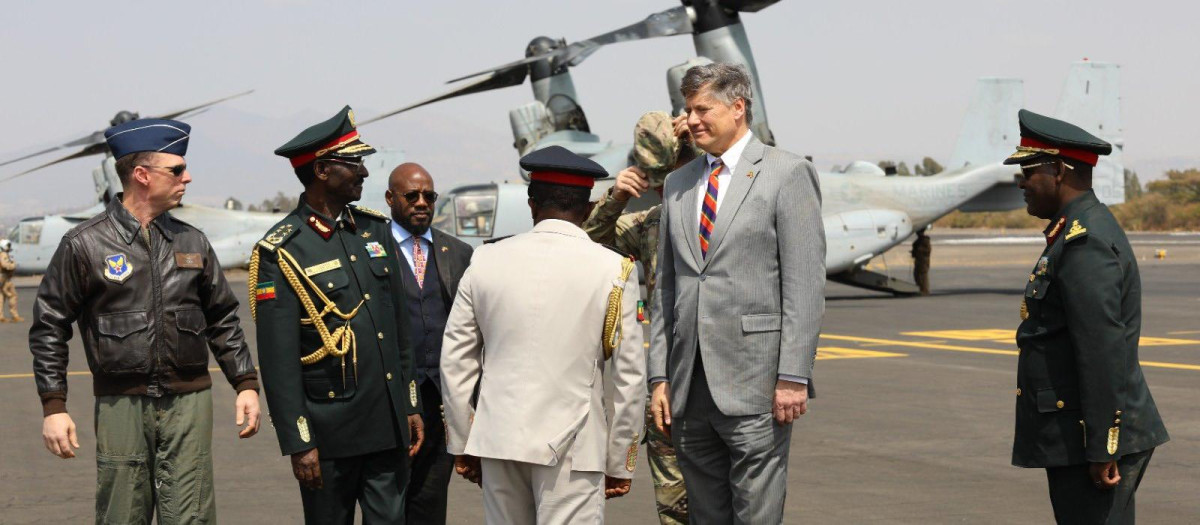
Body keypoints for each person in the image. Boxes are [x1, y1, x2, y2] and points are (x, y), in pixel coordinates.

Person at [29, 118, 261, 523]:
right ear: (141, 175)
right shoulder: (85, 244)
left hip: (189, 403)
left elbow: (222, 316)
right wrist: (54, 406)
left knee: (191, 514)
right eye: (176, 169)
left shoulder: (193, 242)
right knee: (122, 513)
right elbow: (49, 325)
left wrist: (244, 383)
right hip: (121, 404)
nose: (187, 177)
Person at [647, 62, 826, 524]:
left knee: (756, 513)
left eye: (702, 109)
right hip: (690, 385)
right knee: (705, 514)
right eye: (687, 111)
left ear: (738, 108)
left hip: (757, 382)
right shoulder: (677, 184)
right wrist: (658, 377)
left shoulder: (787, 174)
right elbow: (665, 287)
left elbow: (804, 285)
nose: (691, 121)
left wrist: (793, 376)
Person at [440, 145, 646, 523]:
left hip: (499, 439)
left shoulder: (486, 259)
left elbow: (456, 361)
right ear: (588, 209)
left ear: (532, 204)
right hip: (574, 447)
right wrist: (620, 459)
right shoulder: (613, 270)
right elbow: (629, 379)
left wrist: (462, 442)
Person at [253, 106, 424, 524]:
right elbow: (278, 362)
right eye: (354, 163)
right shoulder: (282, 250)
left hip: (385, 424)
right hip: (328, 434)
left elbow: (397, 327)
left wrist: (410, 402)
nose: (365, 172)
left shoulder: (374, 230)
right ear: (323, 170)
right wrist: (299, 441)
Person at [1006, 109, 1169, 524]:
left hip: (1087, 438)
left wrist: (1103, 446)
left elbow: (1102, 350)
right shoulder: (1073, 230)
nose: (1022, 182)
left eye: (1028, 171)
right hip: (1079, 432)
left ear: (1058, 171)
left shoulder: (1084, 242)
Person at [582, 110, 698, 524]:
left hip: (716, 382)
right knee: (674, 509)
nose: (676, 190)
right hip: (665, 384)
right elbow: (590, 240)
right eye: (669, 182)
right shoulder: (651, 223)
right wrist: (616, 197)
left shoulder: (726, 220)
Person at [384, 162, 473, 524]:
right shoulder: (371, 249)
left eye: (429, 196)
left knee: (431, 501)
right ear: (390, 198)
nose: (422, 202)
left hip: (440, 400)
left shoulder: (459, 253)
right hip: (389, 402)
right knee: (388, 503)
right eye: (411, 195)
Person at [0, 239, 22, 322]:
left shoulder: (2, 254)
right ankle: (15, 316)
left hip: (2, 278)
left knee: (1, 297)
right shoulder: (4, 255)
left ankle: (1, 316)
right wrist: (13, 265)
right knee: (13, 295)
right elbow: (5, 265)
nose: (9, 247)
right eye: (8, 246)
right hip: (5, 278)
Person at [911, 226, 932, 296]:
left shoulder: (925, 241)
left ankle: (925, 290)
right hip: (918, 261)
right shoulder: (918, 241)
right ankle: (920, 288)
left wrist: (918, 250)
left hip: (923, 261)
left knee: (923, 276)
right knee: (917, 275)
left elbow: (927, 250)